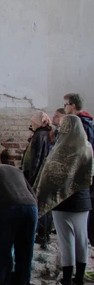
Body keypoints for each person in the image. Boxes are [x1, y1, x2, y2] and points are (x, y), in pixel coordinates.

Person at [34, 114, 93, 285]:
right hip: (83, 199)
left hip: (62, 200)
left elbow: (49, 174)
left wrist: (40, 194)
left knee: (66, 240)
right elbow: (89, 174)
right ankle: (79, 282)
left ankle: (66, 282)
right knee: (82, 239)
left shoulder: (60, 149)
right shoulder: (87, 147)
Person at [63, 93, 94, 247]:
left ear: (73, 106)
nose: (64, 108)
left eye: (66, 104)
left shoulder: (80, 124)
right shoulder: (86, 122)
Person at [21, 111, 54, 248]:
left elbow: (36, 158)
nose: (32, 125)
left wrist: (32, 179)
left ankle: (41, 234)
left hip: (37, 175)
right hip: (43, 175)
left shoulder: (40, 135)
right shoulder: (45, 134)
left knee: (39, 204)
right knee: (43, 204)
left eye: (33, 123)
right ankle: (44, 234)